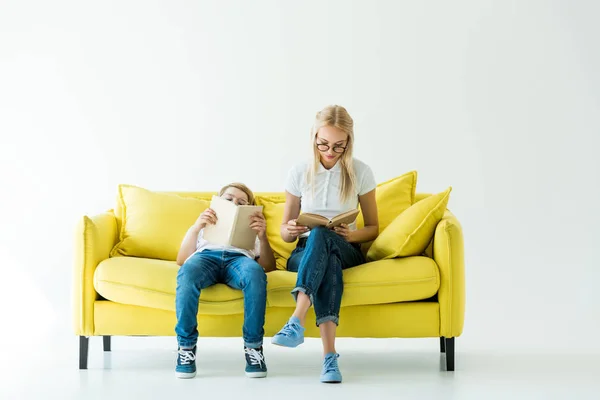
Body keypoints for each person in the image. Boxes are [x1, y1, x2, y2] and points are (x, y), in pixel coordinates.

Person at [271, 105, 379, 383]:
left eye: (338, 146)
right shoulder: (300, 171)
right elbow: (284, 232)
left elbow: (373, 228)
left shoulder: (361, 172)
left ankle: (297, 319)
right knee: (319, 240)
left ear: (348, 143)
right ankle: (329, 359)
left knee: (325, 238)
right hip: (304, 251)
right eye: (323, 144)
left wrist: (351, 235)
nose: (330, 151)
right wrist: (291, 229)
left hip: (347, 249)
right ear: (314, 138)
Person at [174, 183, 276, 379]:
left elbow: (268, 267)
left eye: (241, 202)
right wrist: (197, 227)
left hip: (239, 259)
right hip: (206, 257)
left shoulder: (253, 230)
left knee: (255, 275)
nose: (234, 203)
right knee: (187, 273)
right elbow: (181, 260)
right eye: (228, 199)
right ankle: (186, 348)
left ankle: (254, 349)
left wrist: (262, 236)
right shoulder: (203, 226)